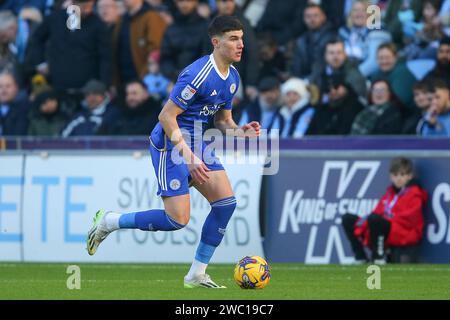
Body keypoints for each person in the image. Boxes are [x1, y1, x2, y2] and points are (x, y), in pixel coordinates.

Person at [87, 16, 261, 288]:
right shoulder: (197, 74)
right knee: (177, 219)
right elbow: (166, 116)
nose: (241, 44)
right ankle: (109, 221)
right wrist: (189, 158)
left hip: (197, 142)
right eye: (233, 39)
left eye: (241, 38)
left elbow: (223, 121)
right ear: (216, 42)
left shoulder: (233, 77)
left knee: (226, 203)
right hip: (171, 143)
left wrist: (242, 132)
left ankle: (196, 273)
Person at [342, 157, 428, 264]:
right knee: (348, 219)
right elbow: (377, 212)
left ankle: (378, 257)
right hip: (386, 229)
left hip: (405, 233)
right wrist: (363, 224)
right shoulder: (390, 193)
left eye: (402, 175)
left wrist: (384, 219)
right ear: (391, 176)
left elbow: (409, 219)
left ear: (409, 176)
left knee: (376, 221)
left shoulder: (414, 194)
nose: (399, 178)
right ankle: (360, 257)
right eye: (395, 175)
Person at [309, 39, 367, 104]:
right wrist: (326, 97)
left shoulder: (354, 74)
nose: (335, 57)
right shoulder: (318, 71)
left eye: (339, 52)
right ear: (325, 55)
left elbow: (361, 99)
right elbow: (312, 96)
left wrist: (347, 93)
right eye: (331, 53)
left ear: (345, 54)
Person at [291, 3, 337, 78]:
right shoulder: (301, 40)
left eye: (316, 15)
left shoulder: (332, 38)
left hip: (325, 80)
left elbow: (324, 65)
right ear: (304, 19)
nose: (312, 19)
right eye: (308, 16)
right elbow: (297, 66)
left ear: (323, 17)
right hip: (302, 80)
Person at [370, 43, 417, 107]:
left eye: (387, 57)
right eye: (380, 58)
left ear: (395, 57)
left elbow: (399, 101)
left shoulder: (402, 72)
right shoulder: (377, 74)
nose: (384, 61)